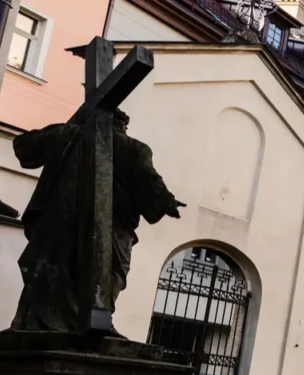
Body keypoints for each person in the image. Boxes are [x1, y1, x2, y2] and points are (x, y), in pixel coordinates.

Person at [10, 109, 184, 334]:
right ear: (121, 124)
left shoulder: (67, 135)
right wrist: (166, 202)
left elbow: (24, 145)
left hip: (63, 225)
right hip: (109, 229)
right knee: (111, 273)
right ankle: (98, 321)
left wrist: (67, 129)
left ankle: (31, 320)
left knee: (50, 269)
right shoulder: (133, 148)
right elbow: (149, 181)